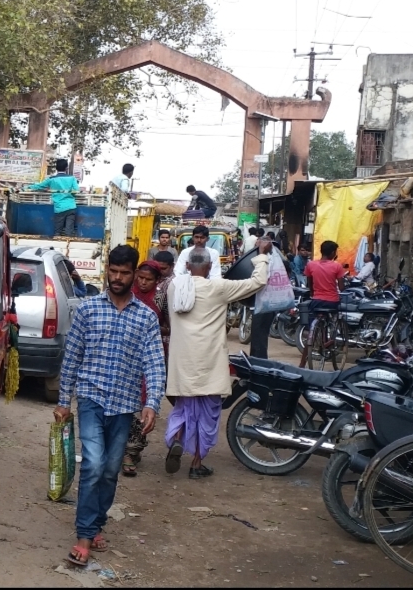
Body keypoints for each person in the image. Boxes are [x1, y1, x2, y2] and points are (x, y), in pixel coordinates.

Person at [55, 245, 165, 566]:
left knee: (109, 470)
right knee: (92, 464)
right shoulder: (88, 310)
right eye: (113, 271)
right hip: (91, 399)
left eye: (124, 273)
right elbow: (72, 357)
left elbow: (154, 363)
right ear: (107, 270)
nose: (117, 278)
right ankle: (84, 536)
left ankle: (97, 522)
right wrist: (64, 401)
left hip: (124, 405)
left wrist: (152, 403)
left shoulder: (146, 317)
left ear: (134, 273)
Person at [165, 242, 272, 479]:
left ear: (187, 265)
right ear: (210, 266)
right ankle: (196, 463)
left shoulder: (174, 286)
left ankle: (177, 438)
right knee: (208, 412)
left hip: (182, 361)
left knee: (184, 406)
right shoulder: (218, 287)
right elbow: (257, 282)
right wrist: (262, 256)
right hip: (209, 362)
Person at [122, 262, 168, 477]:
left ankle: (131, 452)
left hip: (148, 357)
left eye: (148, 280)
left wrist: (151, 328)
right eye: (140, 277)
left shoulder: (161, 300)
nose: (142, 282)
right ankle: (119, 448)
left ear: (157, 281)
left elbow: (169, 326)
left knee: (143, 406)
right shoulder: (126, 295)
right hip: (125, 357)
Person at [299, 240, 347, 367]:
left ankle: (302, 363)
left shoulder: (311, 265)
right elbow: (341, 287)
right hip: (332, 302)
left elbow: (310, 284)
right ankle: (331, 337)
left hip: (316, 301)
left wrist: (313, 294)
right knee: (333, 319)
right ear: (333, 253)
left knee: (312, 330)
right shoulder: (337, 266)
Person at [27, 158, 79, 238]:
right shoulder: (72, 178)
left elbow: (39, 186)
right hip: (71, 207)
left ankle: (57, 243)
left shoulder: (51, 179)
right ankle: (68, 244)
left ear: (56, 168)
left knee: (57, 232)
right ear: (66, 168)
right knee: (69, 231)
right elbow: (76, 190)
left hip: (59, 208)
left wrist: (27, 187)